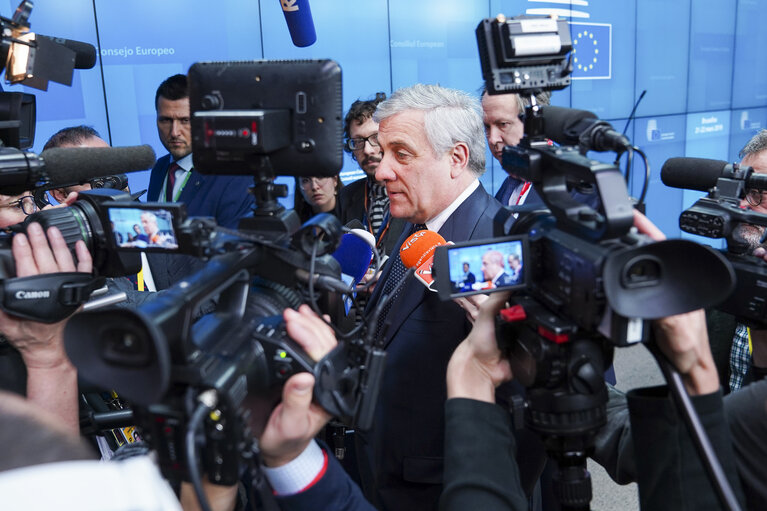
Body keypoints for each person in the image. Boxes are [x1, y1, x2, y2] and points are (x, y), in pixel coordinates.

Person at [356, 83, 540, 510]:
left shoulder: (501, 247)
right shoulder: (415, 224)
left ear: (456, 158)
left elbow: (530, 416)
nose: (381, 170)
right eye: (381, 153)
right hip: (385, 473)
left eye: (401, 154)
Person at [147, 74, 254, 229]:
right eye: (166, 120)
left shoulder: (234, 177)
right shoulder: (159, 168)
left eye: (185, 120)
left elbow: (235, 247)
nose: (174, 132)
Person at [338, 94, 407, 256]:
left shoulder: (416, 191)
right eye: (358, 142)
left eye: (375, 138)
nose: (367, 150)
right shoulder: (345, 197)